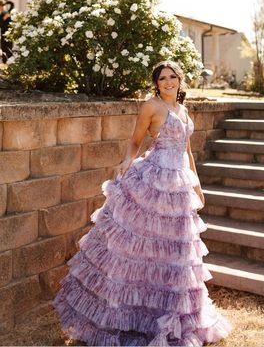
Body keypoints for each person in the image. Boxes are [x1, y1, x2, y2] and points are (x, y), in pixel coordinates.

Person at [53, 60, 233, 346]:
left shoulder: (183, 110)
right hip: (154, 180)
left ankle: (173, 313)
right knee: (140, 248)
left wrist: (196, 183)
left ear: (180, 80)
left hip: (178, 185)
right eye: (163, 78)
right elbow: (135, 141)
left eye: (173, 76)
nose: (169, 81)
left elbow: (187, 150)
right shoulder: (151, 106)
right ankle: (133, 317)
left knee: (177, 253)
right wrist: (128, 159)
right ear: (157, 83)